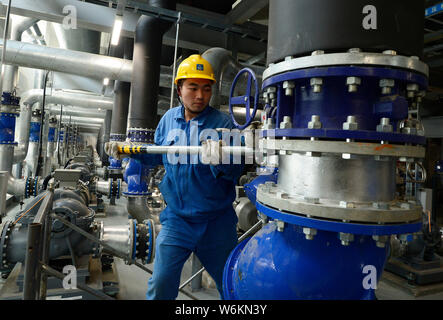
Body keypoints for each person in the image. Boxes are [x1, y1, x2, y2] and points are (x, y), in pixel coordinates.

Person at [109, 54, 244, 299]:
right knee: (161, 283)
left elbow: (235, 172)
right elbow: (158, 156)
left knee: (232, 286)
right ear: (179, 89)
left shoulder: (224, 123)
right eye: (193, 88)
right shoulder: (168, 120)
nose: (200, 95)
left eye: (206, 88)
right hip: (177, 220)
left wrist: (222, 160)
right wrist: (128, 151)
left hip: (217, 223)